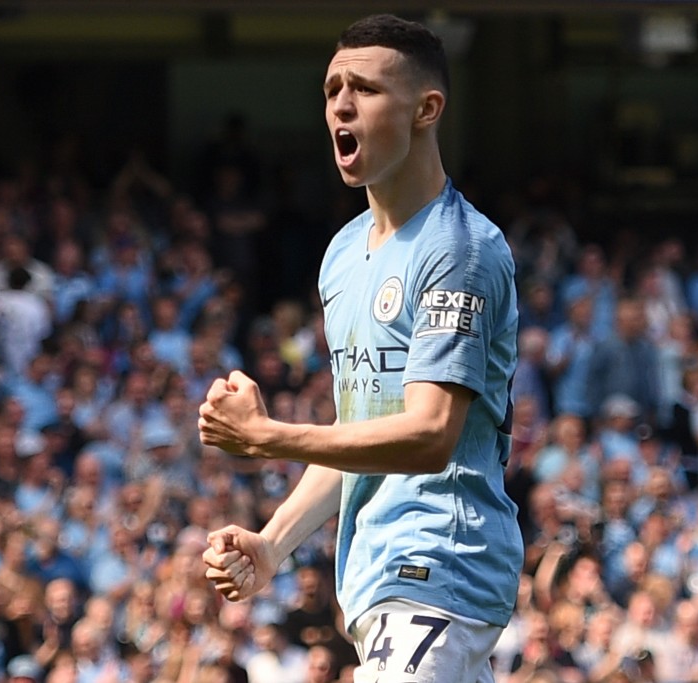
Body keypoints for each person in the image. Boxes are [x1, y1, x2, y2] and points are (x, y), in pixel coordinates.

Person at [200, 14, 521, 683]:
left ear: (426, 109)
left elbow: (431, 433)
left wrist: (267, 436)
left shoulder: (459, 248)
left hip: (439, 561)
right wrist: (274, 540)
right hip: (376, 575)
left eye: (366, 89)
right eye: (331, 88)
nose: (341, 105)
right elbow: (361, 432)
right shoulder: (344, 254)